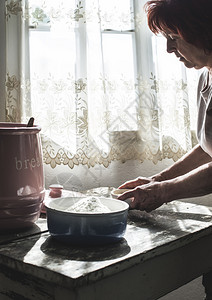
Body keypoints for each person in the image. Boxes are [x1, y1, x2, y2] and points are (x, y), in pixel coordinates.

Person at [117, 0, 212, 299]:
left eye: (174, 38)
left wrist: (164, 192)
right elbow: (207, 147)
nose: (170, 50)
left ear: (201, 31)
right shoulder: (205, 77)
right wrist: (157, 179)